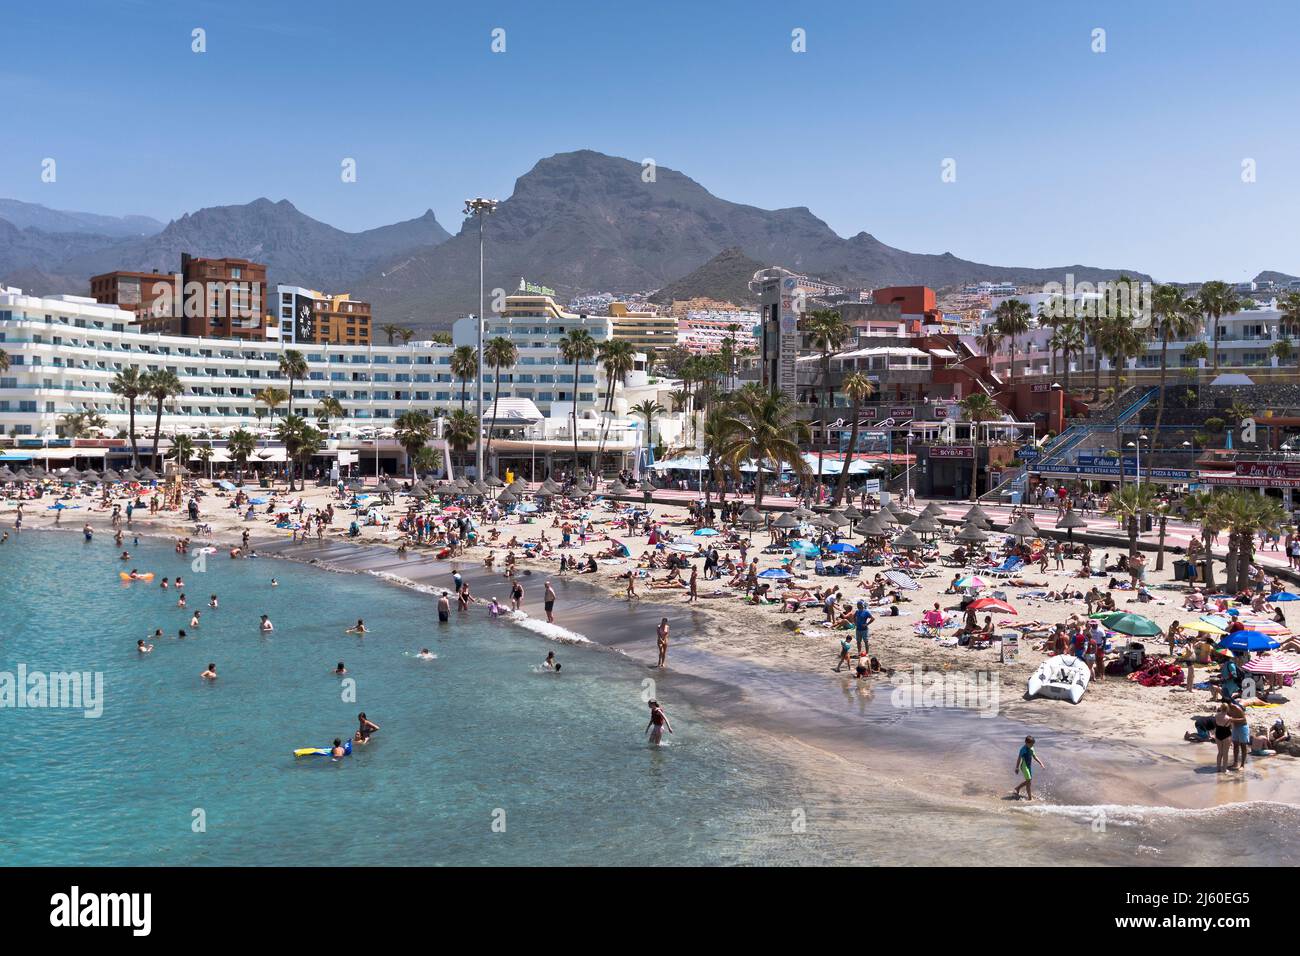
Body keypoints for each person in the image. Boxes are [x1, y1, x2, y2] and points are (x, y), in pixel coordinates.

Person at [1012, 735, 1046, 800]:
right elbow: (1019, 759)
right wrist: (1017, 768)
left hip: (1029, 766)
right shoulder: (1023, 749)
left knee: (1029, 781)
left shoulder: (1032, 748)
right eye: (1031, 745)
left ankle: (1018, 788)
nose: (1032, 746)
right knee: (1029, 781)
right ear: (1026, 743)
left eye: (1033, 744)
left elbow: (1034, 756)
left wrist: (1041, 763)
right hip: (1024, 767)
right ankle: (1030, 798)